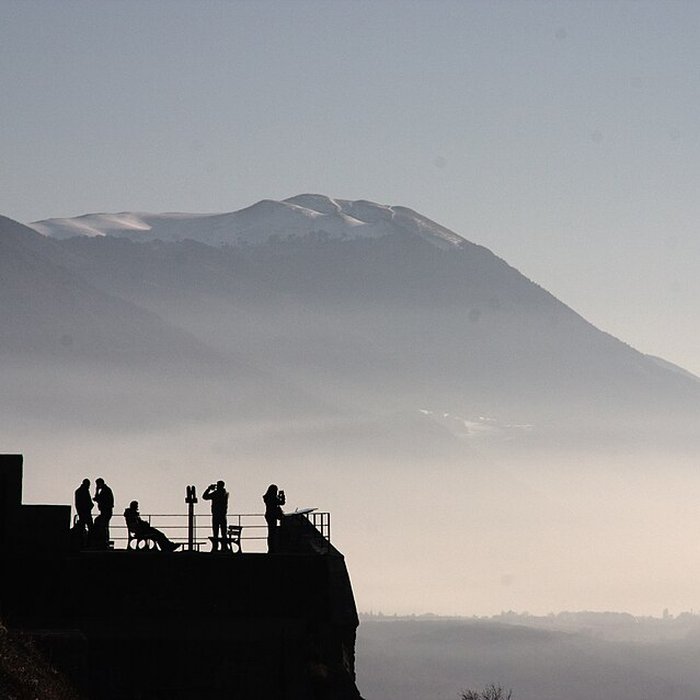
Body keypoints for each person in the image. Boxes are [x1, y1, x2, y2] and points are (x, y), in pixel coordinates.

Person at [202, 480, 229, 551]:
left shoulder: (216, 493)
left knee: (216, 532)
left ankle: (216, 547)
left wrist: (209, 489)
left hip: (216, 515)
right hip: (223, 515)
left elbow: (204, 497)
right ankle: (224, 547)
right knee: (223, 532)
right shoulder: (225, 493)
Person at [263, 484, 285, 553]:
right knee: (272, 533)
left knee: (270, 533)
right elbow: (282, 502)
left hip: (268, 515)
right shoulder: (273, 498)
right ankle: (272, 549)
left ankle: (271, 548)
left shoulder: (267, 498)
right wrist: (282, 496)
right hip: (273, 516)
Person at [93, 477, 114, 549]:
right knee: (104, 526)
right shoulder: (105, 490)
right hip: (105, 511)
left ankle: (105, 541)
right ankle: (104, 540)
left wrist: (97, 493)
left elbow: (100, 499)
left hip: (106, 511)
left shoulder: (105, 490)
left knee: (104, 526)